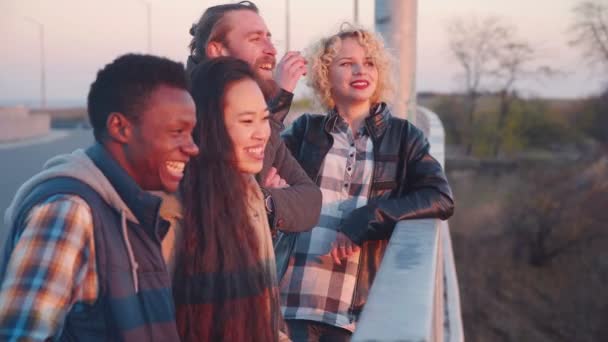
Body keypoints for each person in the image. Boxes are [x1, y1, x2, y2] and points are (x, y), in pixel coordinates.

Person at [0, 54, 198, 341]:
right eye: (178, 132)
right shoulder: (69, 211)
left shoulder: (129, 208)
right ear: (120, 128)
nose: (193, 148)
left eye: (191, 133)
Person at [278, 27, 455, 341]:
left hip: (353, 314)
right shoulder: (306, 130)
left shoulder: (404, 137)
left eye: (370, 62)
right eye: (346, 63)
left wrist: (371, 217)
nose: (361, 70)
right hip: (290, 304)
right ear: (325, 74)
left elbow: (440, 197)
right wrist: (280, 95)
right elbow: (252, 161)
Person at [170, 57, 288, 342]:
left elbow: (266, 311)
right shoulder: (170, 210)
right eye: (247, 121)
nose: (262, 133)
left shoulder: (248, 194)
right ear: (208, 127)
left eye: (264, 118)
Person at [185, 1, 321, 235]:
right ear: (217, 50)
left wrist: (264, 200)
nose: (271, 50)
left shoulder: (264, 125)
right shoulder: (181, 115)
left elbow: (311, 201)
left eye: (269, 38)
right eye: (255, 39)